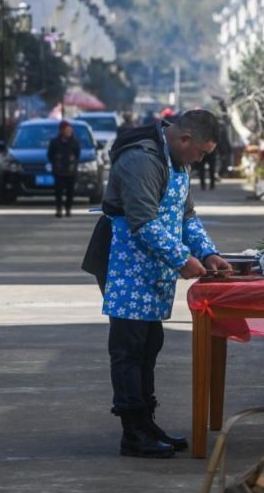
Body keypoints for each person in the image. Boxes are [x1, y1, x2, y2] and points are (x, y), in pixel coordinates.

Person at [81, 109, 231, 458]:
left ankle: (147, 423)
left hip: (153, 268)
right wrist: (182, 259)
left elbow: (186, 215)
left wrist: (208, 253)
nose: (200, 160)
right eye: (201, 153)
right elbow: (144, 222)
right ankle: (132, 431)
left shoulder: (178, 161)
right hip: (125, 265)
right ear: (184, 139)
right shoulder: (142, 160)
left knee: (150, 345)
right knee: (128, 349)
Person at [47, 120, 80, 217]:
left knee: (70, 191)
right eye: (66, 130)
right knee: (59, 191)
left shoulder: (74, 142)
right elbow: (50, 155)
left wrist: (72, 162)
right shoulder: (55, 142)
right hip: (59, 171)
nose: (69, 131)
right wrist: (56, 162)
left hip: (71, 171)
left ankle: (68, 209)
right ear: (61, 130)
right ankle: (59, 209)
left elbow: (77, 155)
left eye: (70, 130)